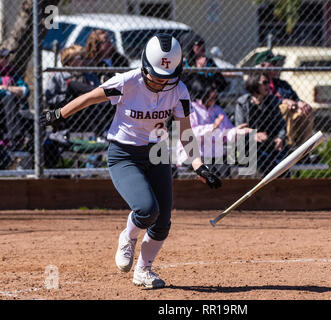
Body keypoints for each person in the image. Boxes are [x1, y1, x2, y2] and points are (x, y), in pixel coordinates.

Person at [40, 34, 221, 289]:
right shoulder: (127, 81)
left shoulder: (179, 90)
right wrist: (60, 113)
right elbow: (91, 96)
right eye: (155, 76)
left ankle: (143, 271)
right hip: (123, 154)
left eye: (166, 78)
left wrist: (198, 165)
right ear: (145, 66)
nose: (161, 82)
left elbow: (186, 132)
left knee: (163, 220)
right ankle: (127, 236)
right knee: (147, 210)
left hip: (156, 154)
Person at [176, 75, 253, 177]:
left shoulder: (217, 110)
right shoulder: (191, 108)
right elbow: (188, 132)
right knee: (212, 170)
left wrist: (235, 132)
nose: (215, 93)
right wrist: (211, 127)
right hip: (194, 156)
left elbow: (226, 133)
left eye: (216, 90)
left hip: (215, 157)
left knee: (226, 167)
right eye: (212, 90)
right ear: (202, 90)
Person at [45, 44, 112, 135]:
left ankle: (100, 133)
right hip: (68, 110)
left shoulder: (89, 76)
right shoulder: (59, 76)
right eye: (80, 57)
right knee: (72, 85)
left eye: (85, 57)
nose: (84, 60)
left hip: (89, 111)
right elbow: (50, 98)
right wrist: (68, 98)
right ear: (69, 61)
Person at [255, 49, 314, 149]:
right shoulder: (257, 84)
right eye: (273, 63)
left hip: (289, 116)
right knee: (285, 107)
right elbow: (262, 101)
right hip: (270, 118)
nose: (277, 66)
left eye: (277, 63)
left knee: (306, 111)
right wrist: (284, 101)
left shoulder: (282, 84)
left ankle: (304, 148)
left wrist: (300, 103)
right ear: (262, 66)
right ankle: (288, 146)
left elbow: (295, 98)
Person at [234, 72, 287, 175]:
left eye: (268, 83)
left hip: (270, 143)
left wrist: (280, 138)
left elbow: (281, 125)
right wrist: (254, 135)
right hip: (250, 145)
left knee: (285, 166)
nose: (268, 86)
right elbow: (239, 129)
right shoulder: (243, 103)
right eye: (264, 83)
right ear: (255, 84)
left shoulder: (272, 102)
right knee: (264, 165)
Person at [179, 32, 228, 97]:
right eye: (198, 44)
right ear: (191, 46)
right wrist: (199, 70)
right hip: (193, 100)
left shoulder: (209, 62)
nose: (202, 46)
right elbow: (186, 85)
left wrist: (207, 73)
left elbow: (222, 84)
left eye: (203, 43)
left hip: (210, 100)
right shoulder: (186, 64)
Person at [0, 48, 30, 150]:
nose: (6, 60)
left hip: (16, 107)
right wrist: (14, 91)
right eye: (3, 57)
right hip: (2, 108)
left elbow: (26, 90)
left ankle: (18, 138)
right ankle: (15, 136)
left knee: (10, 97)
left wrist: (7, 88)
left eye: (7, 57)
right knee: (9, 97)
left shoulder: (13, 75)